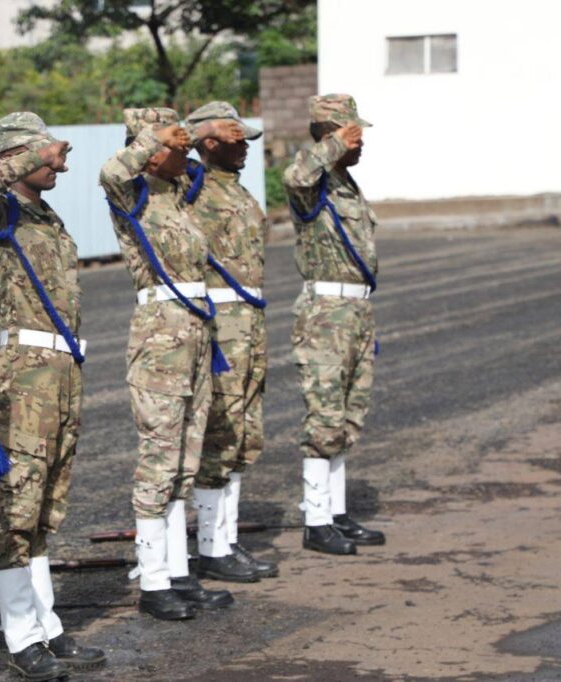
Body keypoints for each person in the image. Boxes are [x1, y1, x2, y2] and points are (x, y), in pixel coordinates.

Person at [0, 112, 105, 679]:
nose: (58, 167)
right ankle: (21, 635)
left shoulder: (44, 214)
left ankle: (45, 625)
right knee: (17, 508)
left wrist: (40, 155)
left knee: (47, 505)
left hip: (62, 368)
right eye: (45, 157)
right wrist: (35, 153)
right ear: (16, 157)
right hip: (26, 375)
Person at [100, 108, 232, 621]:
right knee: (159, 458)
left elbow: (197, 163)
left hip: (195, 330)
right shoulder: (131, 194)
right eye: (175, 146)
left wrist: (194, 135)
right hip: (161, 336)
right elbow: (112, 171)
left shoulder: (177, 192)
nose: (185, 153)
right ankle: (154, 580)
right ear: (150, 150)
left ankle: (178, 572)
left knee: (184, 460)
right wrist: (153, 138)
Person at [283, 94, 386, 555]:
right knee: (324, 417)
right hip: (326, 312)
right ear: (331, 135)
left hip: (356, 310)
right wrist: (333, 145)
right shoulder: (314, 181)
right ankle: (316, 520)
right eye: (352, 133)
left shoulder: (345, 183)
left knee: (348, 416)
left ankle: (337, 512)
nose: (360, 142)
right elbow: (295, 175)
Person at [184, 102, 279, 582]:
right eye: (235, 140)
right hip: (221, 321)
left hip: (250, 319)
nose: (245, 149)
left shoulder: (236, 187)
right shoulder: (191, 184)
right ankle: (211, 547)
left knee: (243, 433)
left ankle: (227, 538)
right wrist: (189, 135)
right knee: (220, 432)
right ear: (208, 142)